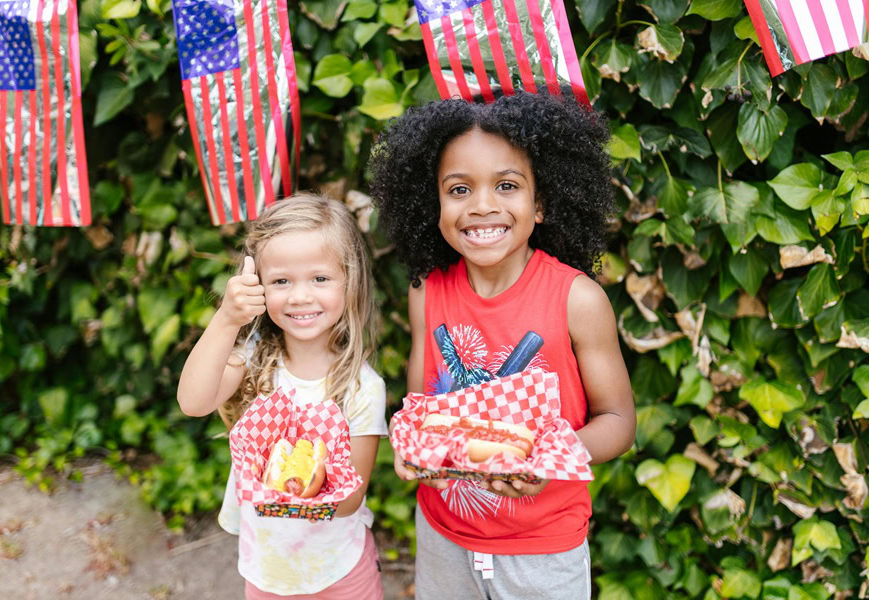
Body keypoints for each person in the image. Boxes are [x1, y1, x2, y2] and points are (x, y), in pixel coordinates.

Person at [369, 89, 636, 599]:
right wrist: (412, 448)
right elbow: (420, 410)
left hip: (543, 550)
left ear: (541, 204)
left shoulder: (577, 300)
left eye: (507, 185)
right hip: (444, 535)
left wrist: (547, 457)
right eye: (460, 189)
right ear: (435, 203)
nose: (483, 205)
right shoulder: (427, 289)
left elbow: (618, 423)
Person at [177, 194, 387, 600]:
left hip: (341, 571)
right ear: (257, 286)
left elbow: (349, 501)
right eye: (281, 281)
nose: (299, 296)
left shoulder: (362, 388)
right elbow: (193, 402)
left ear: (350, 281)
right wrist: (227, 318)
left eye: (320, 278)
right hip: (267, 572)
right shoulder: (256, 361)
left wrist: (291, 479)